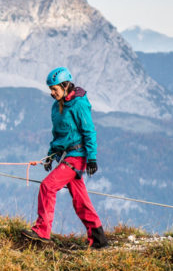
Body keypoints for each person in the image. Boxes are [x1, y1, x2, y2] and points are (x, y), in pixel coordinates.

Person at [22, 67, 110, 249]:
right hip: (67, 156)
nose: (52, 93)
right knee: (80, 199)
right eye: (51, 90)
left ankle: (42, 231)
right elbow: (58, 135)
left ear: (65, 85)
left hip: (77, 157)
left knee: (48, 186)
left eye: (55, 89)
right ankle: (99, 239)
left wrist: (92, 158)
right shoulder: (56, 106)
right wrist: (50, 155)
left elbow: (89, 131)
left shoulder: (79, 104)